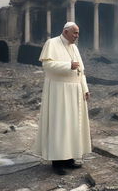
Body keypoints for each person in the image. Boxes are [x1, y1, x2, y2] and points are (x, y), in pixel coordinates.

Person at [34, 22, 91, 175]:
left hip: (75, 92)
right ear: (65, 32)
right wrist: (68, 66)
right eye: (75, 33)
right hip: (59, 91)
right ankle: (57, 162)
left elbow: (81, 71)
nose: (77, 36)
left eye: (78, 33)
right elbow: (47, 65)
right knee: (59, 125)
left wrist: (85, 89)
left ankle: (69, 158)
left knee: (72, 126)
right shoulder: (51, 43)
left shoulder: (75, 48)